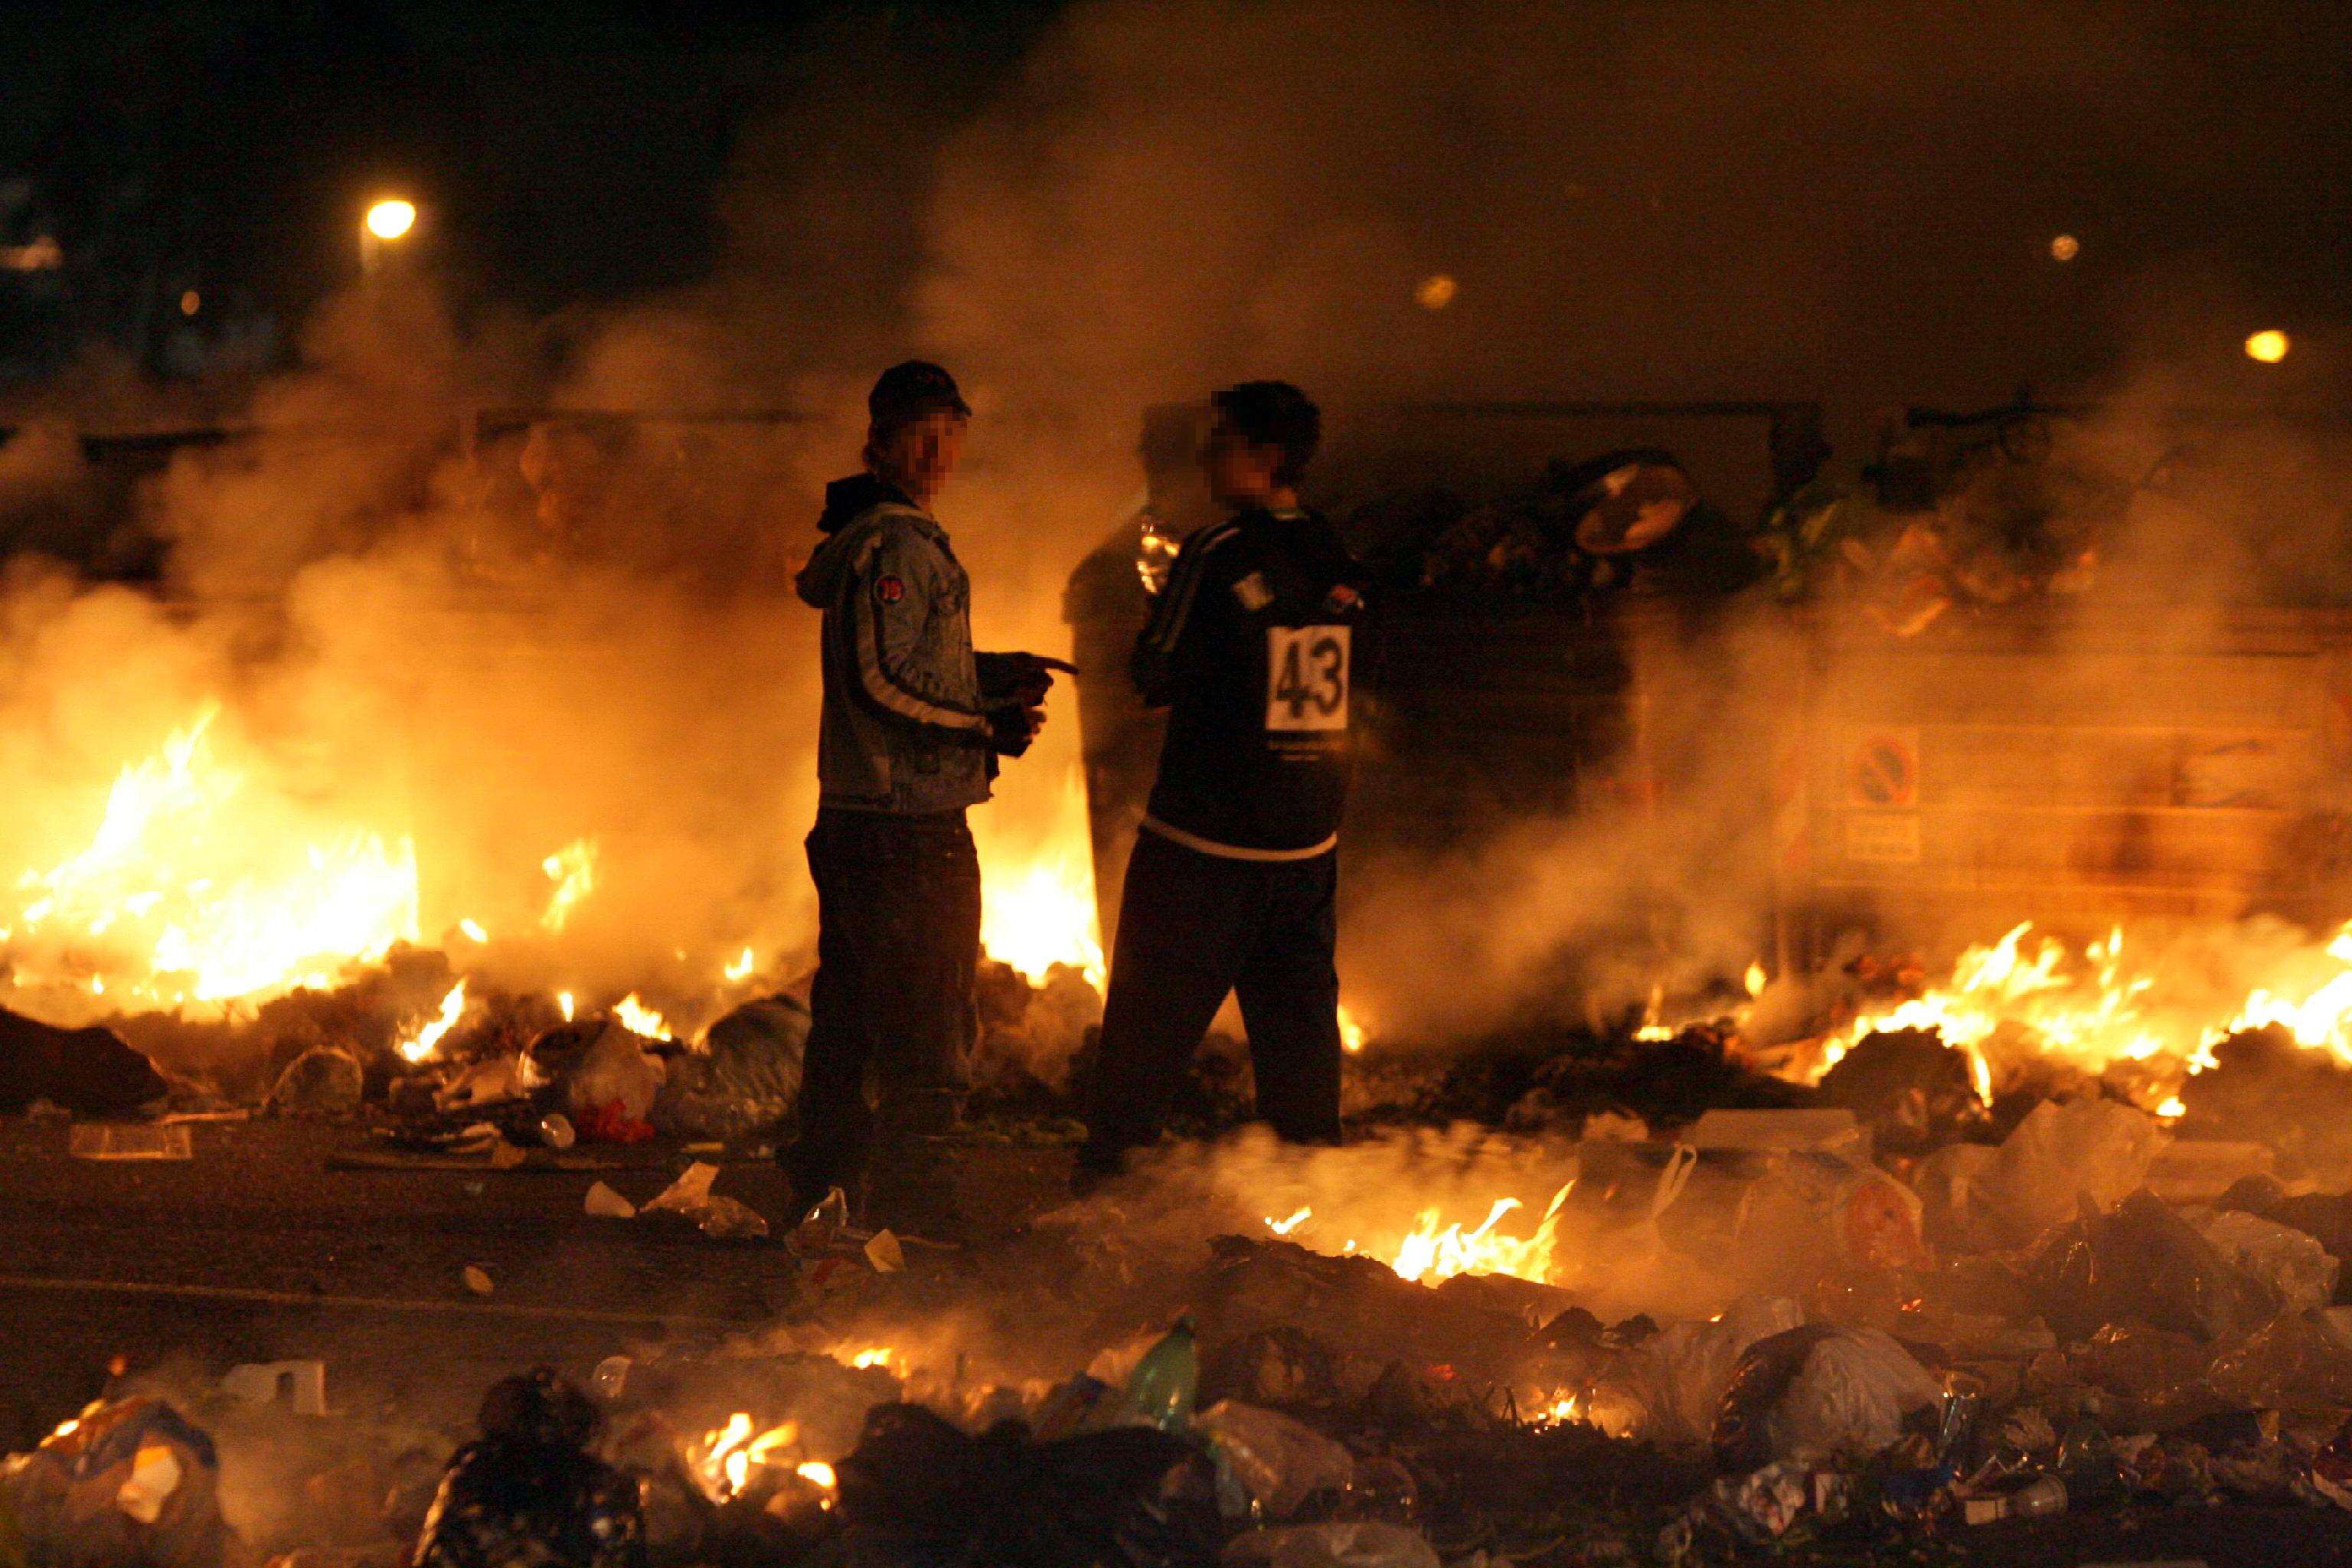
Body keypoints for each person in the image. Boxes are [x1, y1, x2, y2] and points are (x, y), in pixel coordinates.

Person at [788, 361, 1054, 1235]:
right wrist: (981, 719)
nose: (939, 453)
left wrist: (985, 672)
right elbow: (878, 682)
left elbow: (903, 668)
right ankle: (918, 1219)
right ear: (883, 442)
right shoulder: (896, 544)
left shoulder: (883, 537)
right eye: (920, 435)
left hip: (870, 825)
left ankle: (824, 1199)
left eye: (952, 434)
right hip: (907, 829)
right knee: (930, 1036)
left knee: (854, 1027)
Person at [1078, 381, 1364, 1184]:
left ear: (1267, 459)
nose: (1206, 455)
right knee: (1300, 1050)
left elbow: (1151, 668)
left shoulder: (1215, 553)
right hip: (1306, 846)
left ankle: (1098, 1202)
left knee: (1145, 1039)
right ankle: (1317, 1220)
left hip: (1203, 849)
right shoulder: (1334, 551)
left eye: (1222, 440)